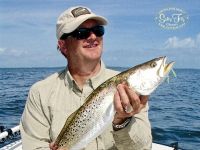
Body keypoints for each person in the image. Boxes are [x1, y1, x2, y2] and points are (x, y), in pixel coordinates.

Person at [20, 6, 152, 150]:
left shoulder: (128, 86)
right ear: (63, 46)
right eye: (81, 33)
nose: (93, 37)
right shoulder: (40, 92)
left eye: (98, 30)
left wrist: (122, 121)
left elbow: (143, 147)